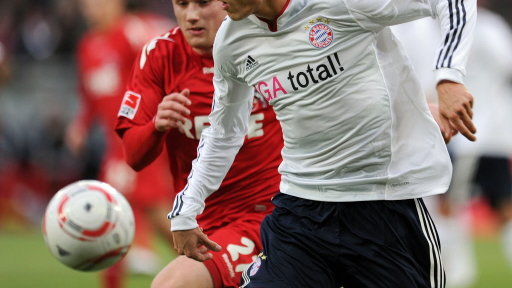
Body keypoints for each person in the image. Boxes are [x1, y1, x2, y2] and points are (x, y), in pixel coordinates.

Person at [167, 0, 478, 287]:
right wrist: (187, 207)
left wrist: (449, 77)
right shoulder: (231, 40)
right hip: (301, 211)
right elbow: (224, 131)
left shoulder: (341, 4)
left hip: (382, 205)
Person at [114, 0, 283, 287]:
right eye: (182, 4)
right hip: (200, 221)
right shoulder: (160, 55)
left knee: (171, 284)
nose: (192, 15)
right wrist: (156, 126)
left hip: (265, 216)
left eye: (203, 3)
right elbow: (133, 154)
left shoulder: (266, 43)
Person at [67, 0, 175, 287]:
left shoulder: (133, 33)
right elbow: (90, 94)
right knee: (112, 213)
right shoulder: (87, 45)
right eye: (89, 3)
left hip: (141, 137)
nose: (95, 8)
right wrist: (81, 125)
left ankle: (205, 264)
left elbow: (159, 75)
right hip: (115, 146)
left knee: (148, 211)